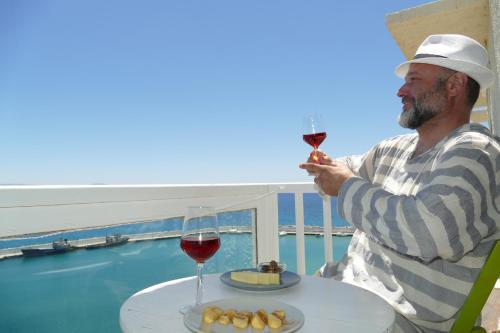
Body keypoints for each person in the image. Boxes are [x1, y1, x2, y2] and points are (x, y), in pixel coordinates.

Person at [299, 34, 500, 333]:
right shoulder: (392, 148)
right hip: (344, 293)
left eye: (413, 80)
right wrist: (326, 169)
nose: (400, 91)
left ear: (455, 84)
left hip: (402, 322)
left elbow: (427, 233)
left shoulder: (476, 153)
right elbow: (344, 171)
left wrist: (345, 186)